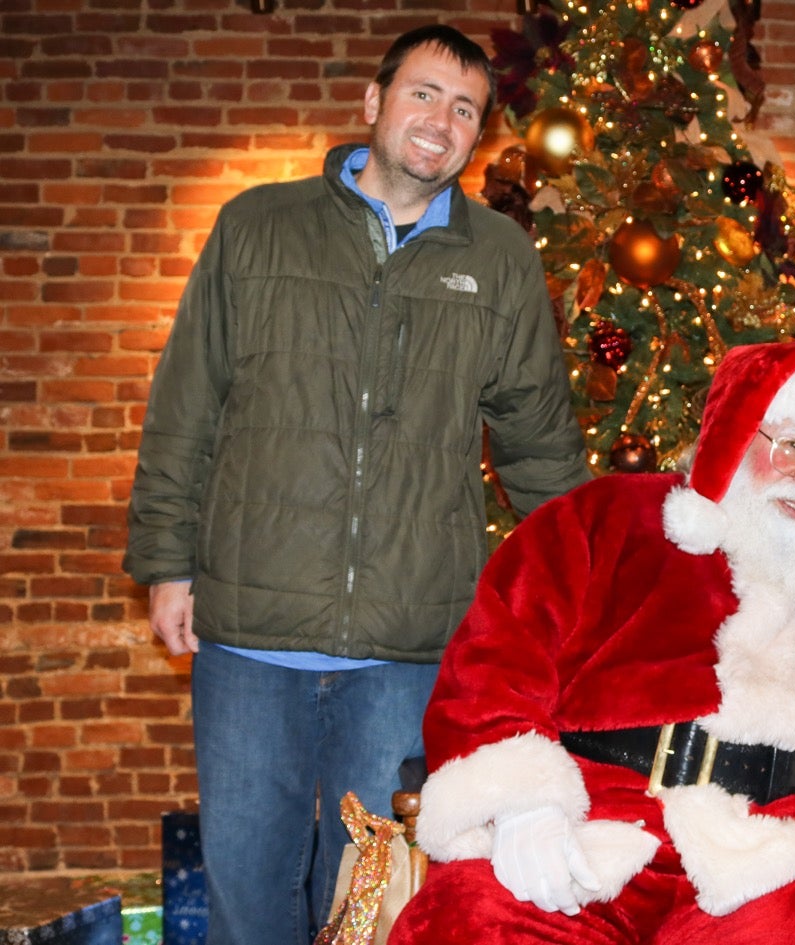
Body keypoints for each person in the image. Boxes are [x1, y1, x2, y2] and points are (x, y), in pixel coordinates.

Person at [121, 25, 590, 945]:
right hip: (251, 640)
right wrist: (166, 561)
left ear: (476, 136)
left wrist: (584, 592)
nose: (441, 120)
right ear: (374, 105)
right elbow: (188, 405)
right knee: (249, 906)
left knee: (375, 913)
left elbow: (539, 447)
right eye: (423, 94)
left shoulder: (499, 258)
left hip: (406, 650)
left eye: (464, 109)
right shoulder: (259, 224)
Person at [387, 340, 795, 945]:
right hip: (592, 833)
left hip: (767, 857)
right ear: (736, 441)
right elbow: (492, 663)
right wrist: (520, 799)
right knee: (473, 921)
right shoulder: (605, 519)